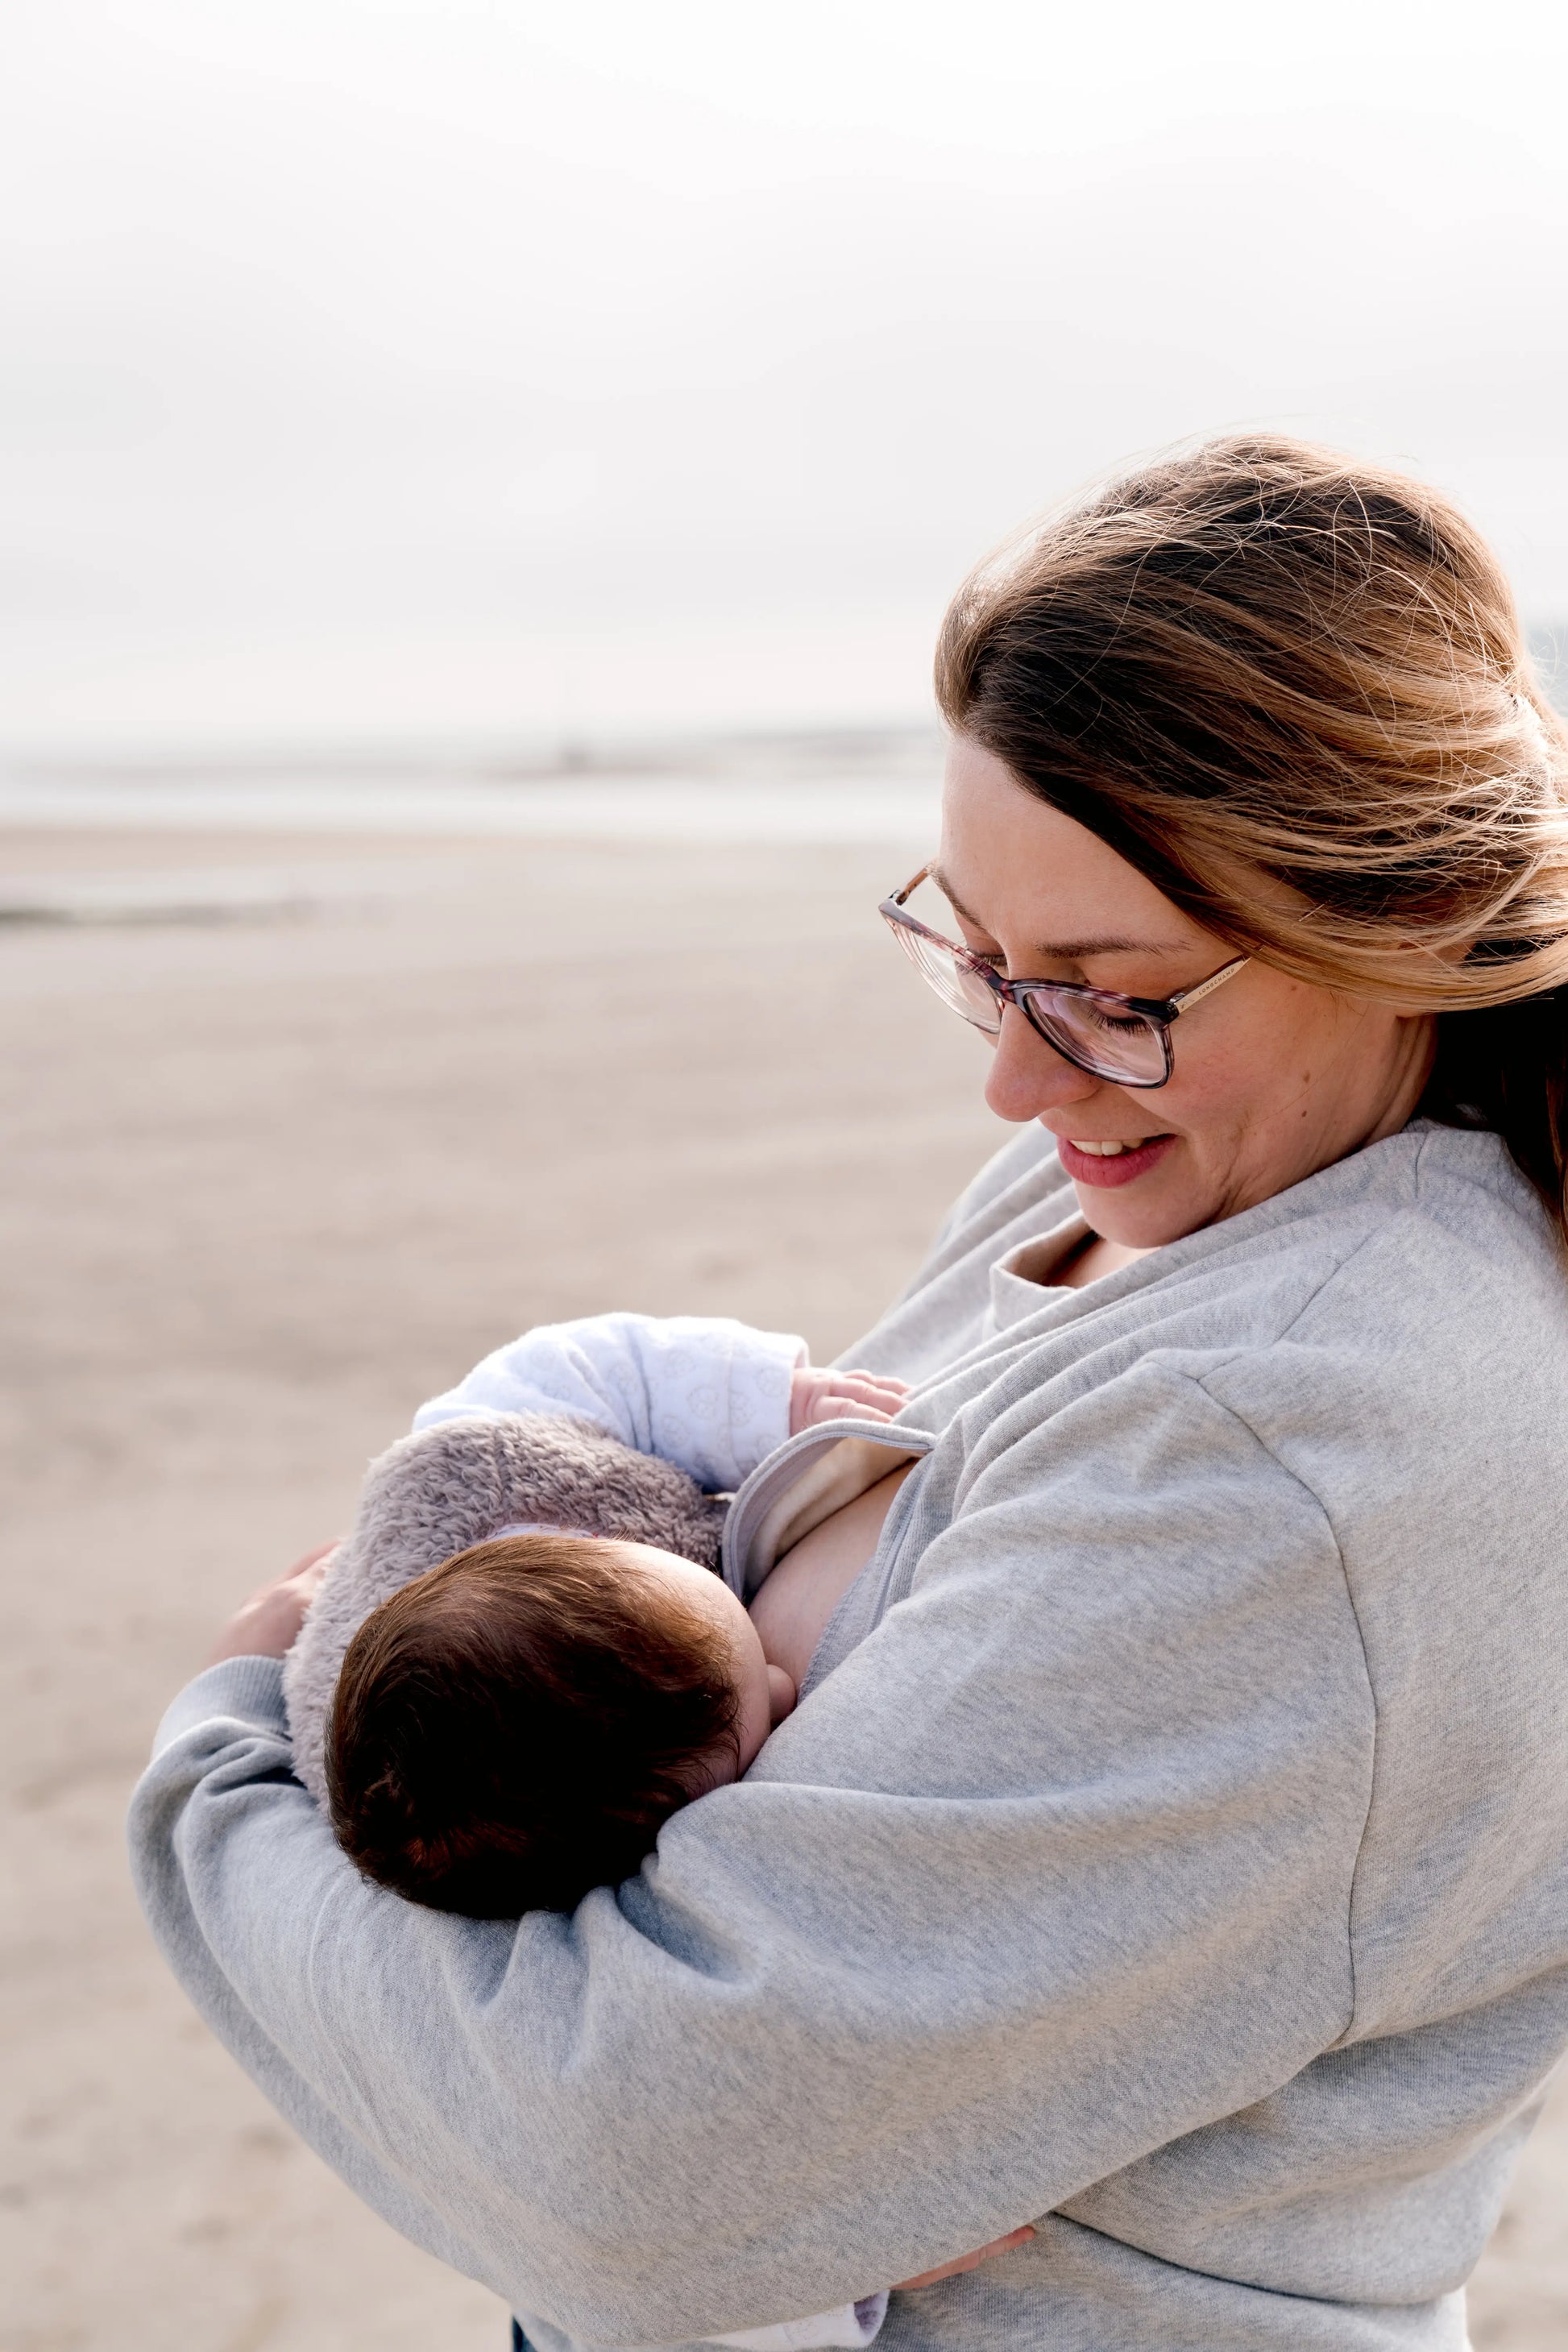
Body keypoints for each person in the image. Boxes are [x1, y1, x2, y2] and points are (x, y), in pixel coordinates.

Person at [131, 437, 1568, 2351]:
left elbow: (629, 2173)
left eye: (1111, 984)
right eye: (981, 961)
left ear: (1399, 908)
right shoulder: (1137, 1181)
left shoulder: (1310, 1440)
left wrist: (224, 1779)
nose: (1017, 1080)